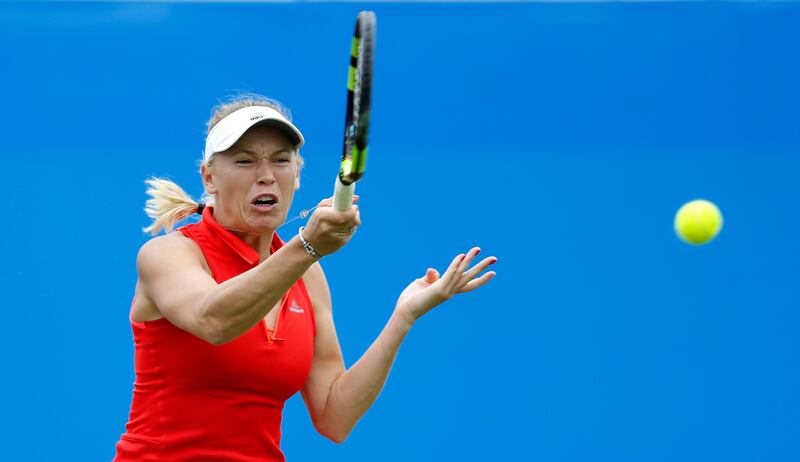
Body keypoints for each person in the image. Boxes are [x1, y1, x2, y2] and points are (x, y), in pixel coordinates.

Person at [113, 95, 497, 461]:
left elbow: (335, 417)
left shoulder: (307, 274)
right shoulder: (169, 253)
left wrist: (403, 317)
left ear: (296, 176)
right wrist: (307, 245)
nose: (265, 176)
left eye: (281, 161)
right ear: (209, 177)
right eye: (245, 161)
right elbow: (213, 321)